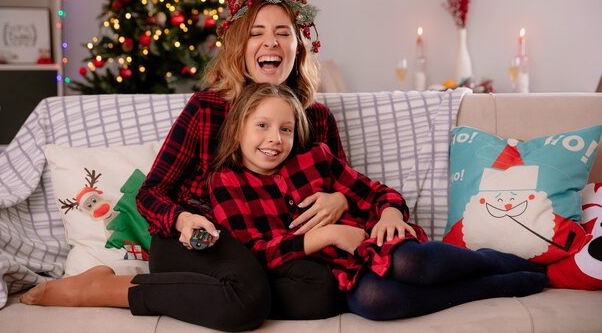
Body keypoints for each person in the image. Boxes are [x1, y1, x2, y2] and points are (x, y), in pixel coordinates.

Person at [20, 0, 351, 331]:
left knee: (322, 292)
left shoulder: (317, 118)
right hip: (196, 239)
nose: (271, 41)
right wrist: (182, 219)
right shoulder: (206, 109)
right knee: (246, 303)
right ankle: (106, 288)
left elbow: (348, 185)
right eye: (257, 33)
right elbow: (151, 193)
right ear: (239, 48)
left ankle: (232, 292)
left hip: (269, 247)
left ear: (299, 47)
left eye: (283, 32)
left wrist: (340, 199)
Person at [208, 82, 549, 320]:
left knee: (409, 264)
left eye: (285, 129)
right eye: (262, 126)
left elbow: (379, 193)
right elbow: (253, 253)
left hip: (376, 242)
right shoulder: (225, 183)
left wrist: (389, 215)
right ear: (238, 128)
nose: (274, 139)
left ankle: (495, 262)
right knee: (375, 301)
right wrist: (328, 235)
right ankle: (489, 287)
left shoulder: (315, 159)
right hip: (341, 274)